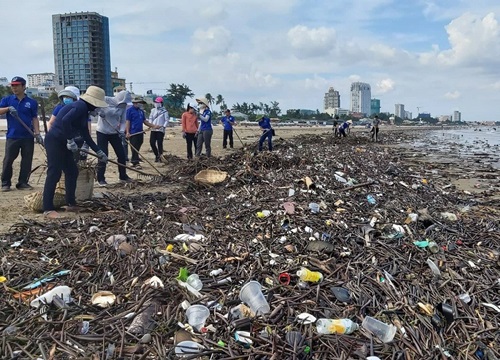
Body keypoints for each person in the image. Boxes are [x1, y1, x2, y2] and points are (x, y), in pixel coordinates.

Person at [42, 86, 108, 219]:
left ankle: (70, 202)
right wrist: (70, 140)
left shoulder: (84, 112)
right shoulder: (80, 107)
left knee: (72, 171)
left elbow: (85, 134)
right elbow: (65, 121)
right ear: (93, 103)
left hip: (64, 142)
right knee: (54, 172)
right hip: (55, 140)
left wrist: (98, 151)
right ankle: (47, 208)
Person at [0, 76, 42, 192]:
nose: (14, 88)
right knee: (8, 160)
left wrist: (37, 133)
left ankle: (23, 182)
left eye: (17, 85)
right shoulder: (7, 100)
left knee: (27, 160)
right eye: (12, 85)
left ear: (23, 87)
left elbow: (34, 118)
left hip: (28, 136)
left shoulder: (31, 102)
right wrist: (8, 109)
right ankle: (5, 183)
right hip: (12, 136)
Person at [95, 90, 133, 186]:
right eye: (123, 102)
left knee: (121, 154)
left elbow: (123, 121)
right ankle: (100, 178)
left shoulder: (123, 107)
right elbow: (95, 105)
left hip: (114, 132)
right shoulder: (106, 99)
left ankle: (123, 176)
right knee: (103, 155)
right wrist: (99, 111)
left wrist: (121, 131)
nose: (124, 104)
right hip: (102, 132)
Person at [125, 96, 160, 168]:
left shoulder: (141, 111)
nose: (141, 104)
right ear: (135, 103)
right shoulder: (129, 110)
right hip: (133, 132)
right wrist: (127, 132)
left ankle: (135, 159)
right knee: (134, 146)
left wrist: (153, 126)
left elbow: (144, 121)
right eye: (140, 103)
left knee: (138, 146)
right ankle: (135, 162)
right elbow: (128, 121)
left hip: (140, 132)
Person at [149, 96, 169, 162]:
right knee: (152, 143)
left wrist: (163, 126)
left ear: (161, 103)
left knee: (159, 143)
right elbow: (150, 118)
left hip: (160, 130)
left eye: (158, 102)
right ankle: (156, 155)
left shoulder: (165, 111)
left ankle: (160, 156)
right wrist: (151, 124)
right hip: (153, 129)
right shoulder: (153, 110)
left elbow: (166, 120)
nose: (156, 103)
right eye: (155, 102)